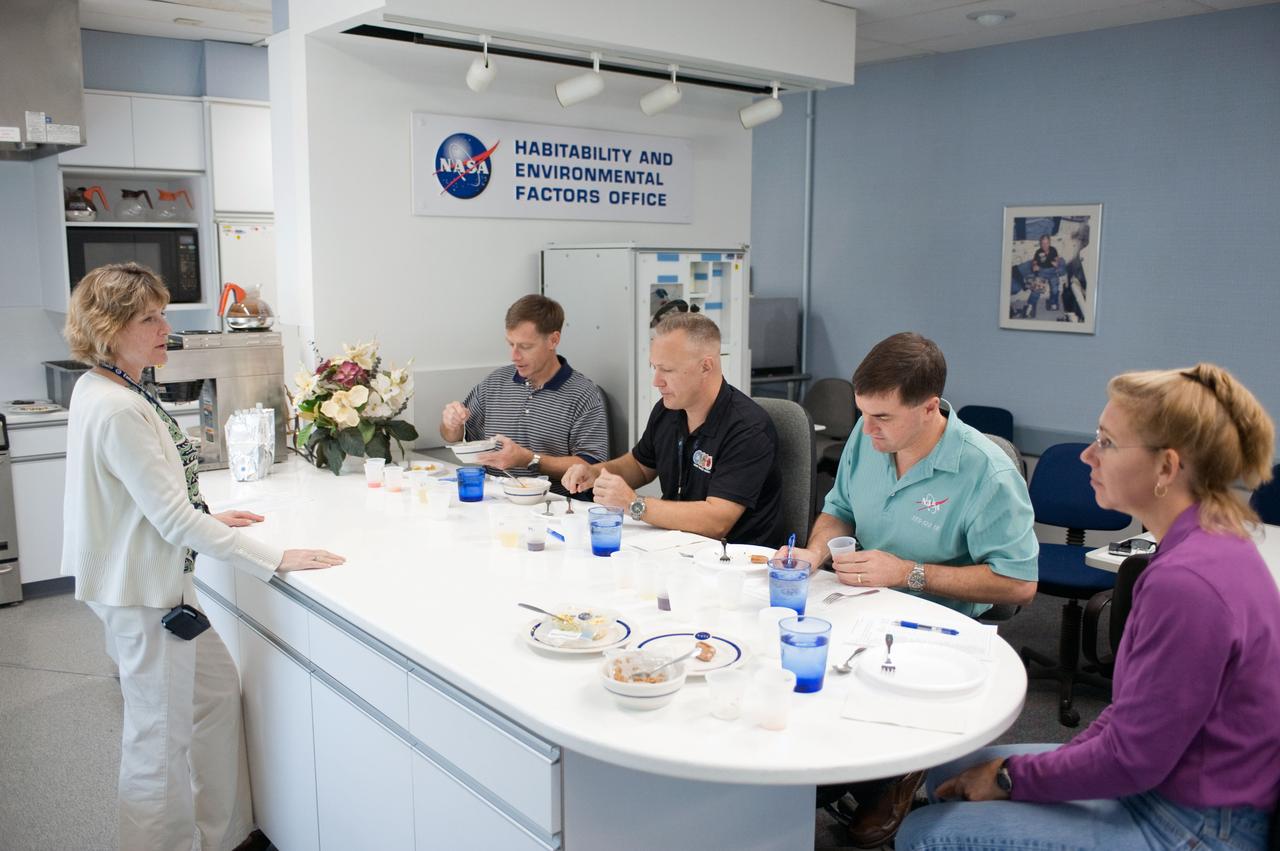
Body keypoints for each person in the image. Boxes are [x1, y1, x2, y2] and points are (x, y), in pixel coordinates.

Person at [898, 363, 1280, 851]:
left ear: (1167, 467)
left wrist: (1011, 779)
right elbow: (1130, 716)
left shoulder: (1187, 583)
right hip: (1172, 781)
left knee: (926, 834)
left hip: (1195, 822)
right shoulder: (1208, 538)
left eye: (1107, 442)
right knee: (951, 772)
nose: (1087, 455)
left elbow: (1132, 759)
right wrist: (1024, 773)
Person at [62, 263, 346, 851]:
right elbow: (171, 518)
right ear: (109, 328)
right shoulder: (117, 407)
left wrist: (207, 520)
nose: (167, 326)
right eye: (150, 318)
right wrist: (276, 556)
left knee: (215, 697)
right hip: (142, 596)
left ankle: (221, 834)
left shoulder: (108, 385)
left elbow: (140, 498)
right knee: (155, 740)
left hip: (146, 581)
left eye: (162, 312)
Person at [786, 331, 1038, 848]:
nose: (867, 429)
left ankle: (901, 774)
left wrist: (906, 572)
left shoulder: (984, 472)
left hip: (938, 630)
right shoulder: (866, 436)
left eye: (883, 418)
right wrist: (814, 553)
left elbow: (1020, 583)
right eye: (863, 414)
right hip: (858, 605)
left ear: (929, 409)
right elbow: (840, 510)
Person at [562, 313, 782, 546]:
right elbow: (640, 465)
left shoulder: (747, 428)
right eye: (654, 367)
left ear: (705, 366)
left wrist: (635, 504)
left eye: (667, 370)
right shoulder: (669, 409)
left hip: (730, 559)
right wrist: (596, 474)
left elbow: (717, 522)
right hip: (674, 545)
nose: (656, 381)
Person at [440, 294, 609, 494]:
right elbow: (454, 437)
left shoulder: (583, 394)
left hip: (551, 506)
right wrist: (451, 424)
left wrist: (529, 459)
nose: (514, 356)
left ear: (553, 340)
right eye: (510, 344)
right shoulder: (494, 383)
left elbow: (590, 467)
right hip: (495, 502)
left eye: (525, 347)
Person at [1030, 234, 1064, 311]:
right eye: (1043, 243)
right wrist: (1034, 266)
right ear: (1040, 243)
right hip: (1042, 271)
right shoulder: (1038, 251)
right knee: (1037, 288)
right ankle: (1031, 304)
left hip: (1052, 272)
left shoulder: (1053, 250)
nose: (1045, 245)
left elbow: (1057, 260)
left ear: (1049, 243)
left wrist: (1056, 263)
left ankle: (1053, 302)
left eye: (1047, 243)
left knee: (1055, 288)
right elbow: (1034, 262)